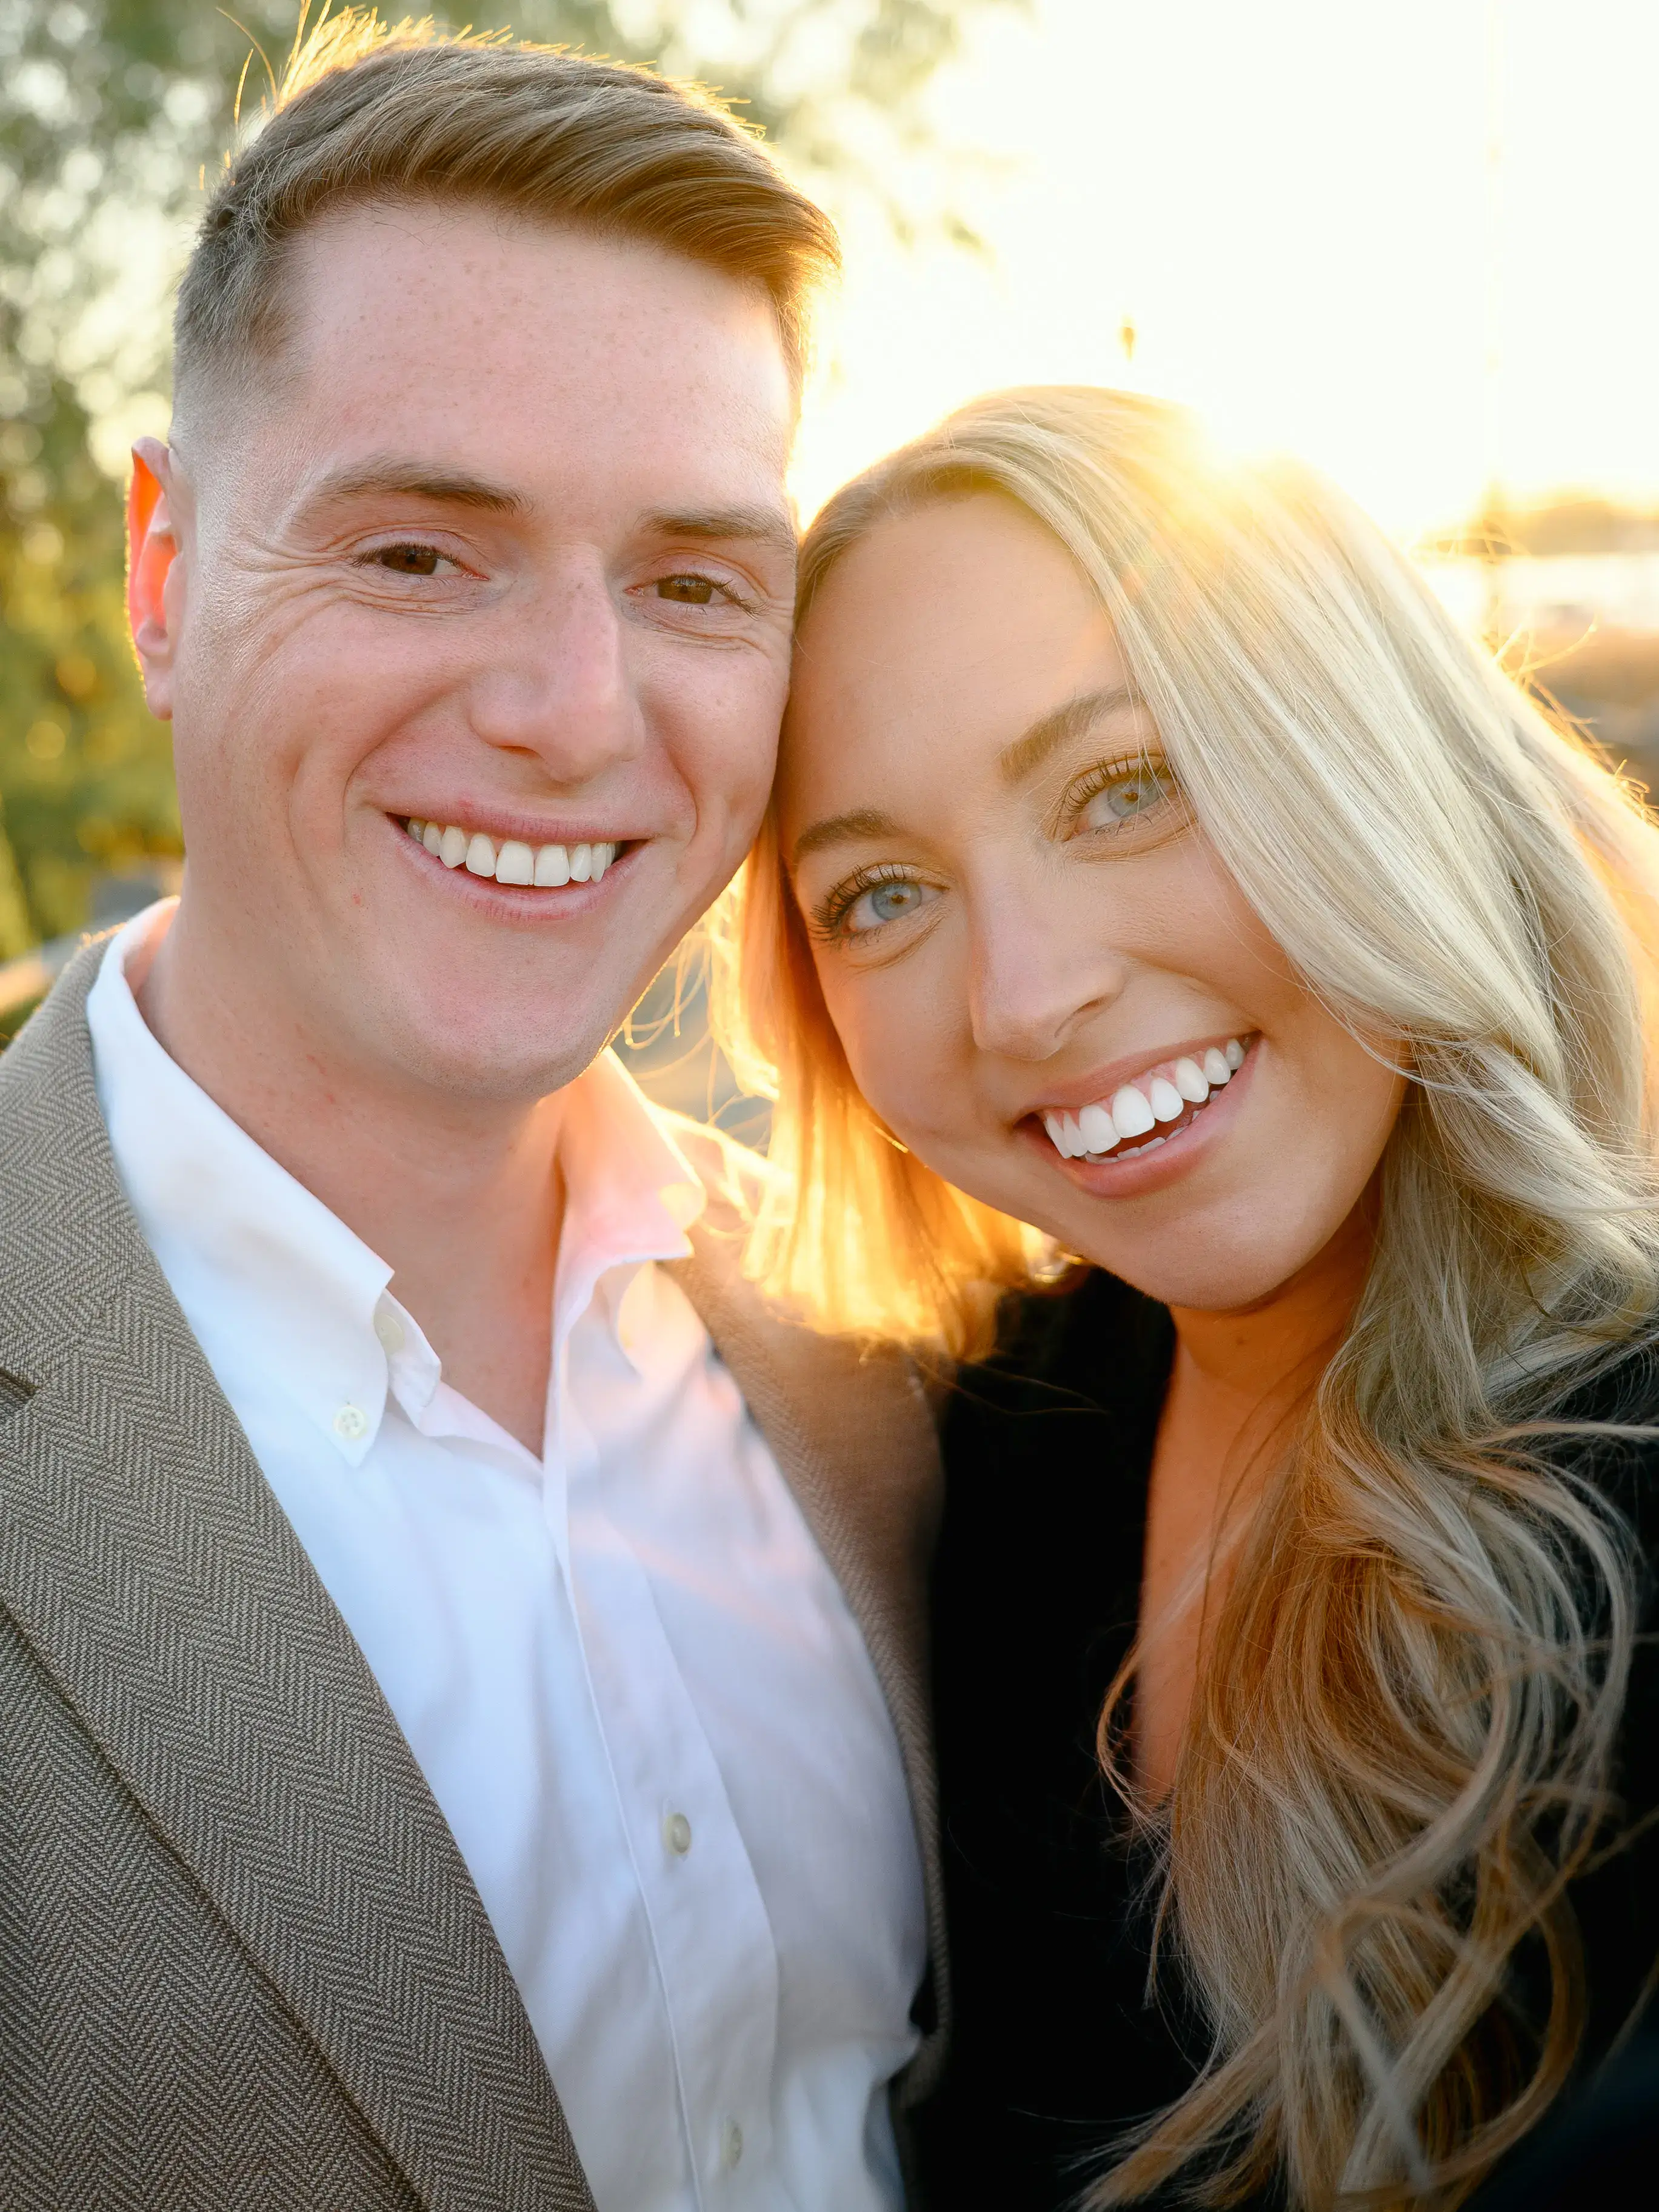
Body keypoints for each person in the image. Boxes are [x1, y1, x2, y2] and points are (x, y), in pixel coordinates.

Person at [0, 20, 946, 2210]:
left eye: (696, 582)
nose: (571, 717)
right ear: (164, 573)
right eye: (422, 554)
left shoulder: (887, 1370)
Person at [712, 386, 1659, 2208]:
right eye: (883, 892)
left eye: (1125, 786)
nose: (1025, 998)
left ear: (1367, 760)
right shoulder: (983, 1443)